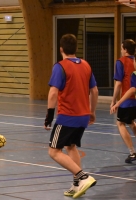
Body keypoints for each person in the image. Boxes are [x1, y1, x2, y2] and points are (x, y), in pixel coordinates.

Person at [44, 34, 98, 198]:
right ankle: (76, 185)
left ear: (61, 49)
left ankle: (83, 176)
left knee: (54, 152)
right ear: (76, 49)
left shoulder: (60, 66)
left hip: (67, 116)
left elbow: (53, 93)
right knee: (71, 146)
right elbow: (94, 91)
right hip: (83, 116)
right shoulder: (86, 65)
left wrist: (49, 115)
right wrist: (92, 111)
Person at [110, 40, 136, 164]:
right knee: (131, 122)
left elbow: (119, 83)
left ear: (125, 49)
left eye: (122, 48)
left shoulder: (121, 62)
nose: (121, 50)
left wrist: (114, 100)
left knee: (120, 123)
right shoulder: (135, 61)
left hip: (127, 99)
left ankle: (132, 152)